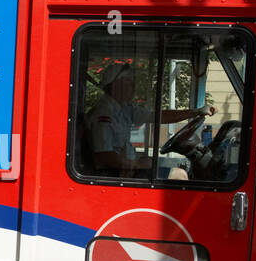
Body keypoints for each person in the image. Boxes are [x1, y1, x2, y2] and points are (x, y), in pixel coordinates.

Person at [86, 61, 214, 177]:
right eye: (129, 83)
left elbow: (159, 116)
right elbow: (104, 155)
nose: (133, 87)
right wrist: (135, 164)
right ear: (116, 86)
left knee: (173, 170)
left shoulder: (124, 108)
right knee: (179, 175)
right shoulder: (103, 115)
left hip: (127, 167)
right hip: (114, 173)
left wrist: (196, 112)